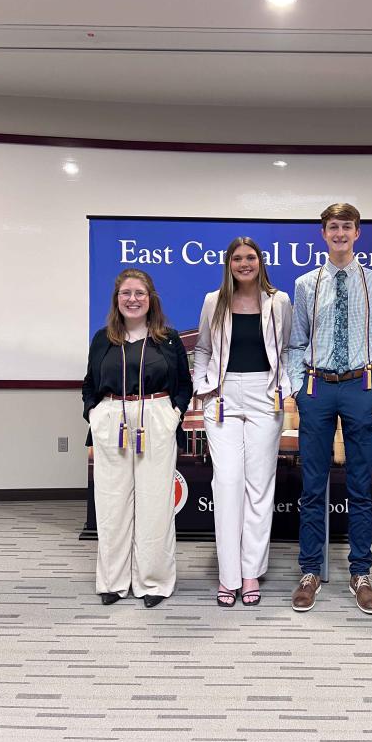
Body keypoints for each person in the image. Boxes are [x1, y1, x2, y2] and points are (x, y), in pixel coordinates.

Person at [288, 203, 372, 614]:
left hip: (360, 388)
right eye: (333, 227)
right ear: (323, 233)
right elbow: (295, 343)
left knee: (360, 487)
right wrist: (298, 387)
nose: (340, 233)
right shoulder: (305, 284)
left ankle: (360, 573)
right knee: (313, 486)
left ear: (358, 233)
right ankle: (310, 571)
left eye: (346, 227)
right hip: (317, 387)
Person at [82, 268, 192, 608]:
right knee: (112, 503)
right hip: (113, 420)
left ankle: (153, 582)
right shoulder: (103, 338)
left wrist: (173, 412)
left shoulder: (169, 339)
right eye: (126, 293)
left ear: (151, 299)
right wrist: (95, 414)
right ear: (117, 299)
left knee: (155, 503)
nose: (133, 299)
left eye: (139, 293)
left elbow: (184, 386)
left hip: (156, 419)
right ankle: (113, 581)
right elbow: (89, 384)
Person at [193, 237, 292, 607]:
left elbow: (288, 347)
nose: (245, 263)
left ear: (260, 262)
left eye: (251, 257)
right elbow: (202, 348)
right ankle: (228, 575)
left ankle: (251, 572)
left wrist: (286, 387)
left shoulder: (278, 301)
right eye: (238, 258)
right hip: (222, 395)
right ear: (229, 263)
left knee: (259, 485)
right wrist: (202, 386)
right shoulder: (212, 301)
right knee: (228, 481)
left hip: (264, 394)